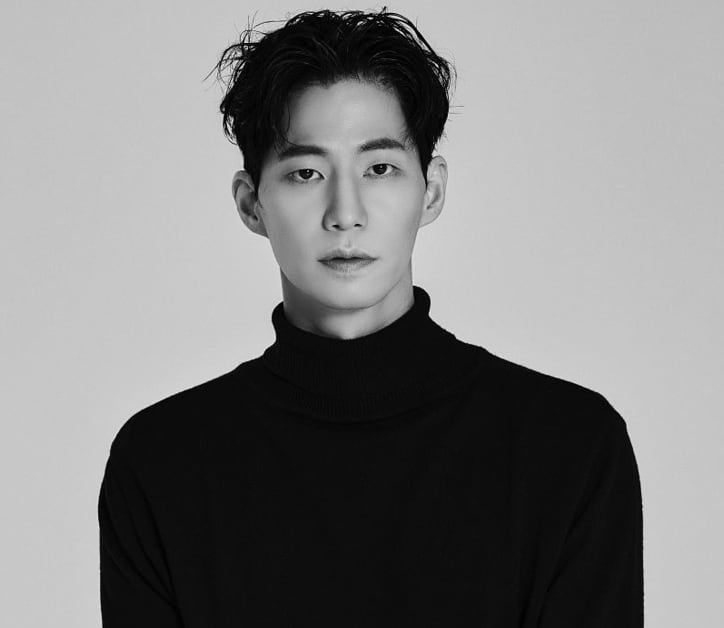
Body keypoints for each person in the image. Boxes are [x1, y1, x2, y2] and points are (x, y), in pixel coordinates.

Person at [98, 8, 644, 626]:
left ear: (431, 190)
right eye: (306, 173)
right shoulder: (163, 461)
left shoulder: (568, 447)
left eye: (379, 168)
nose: (345, 213)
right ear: (252, 204)